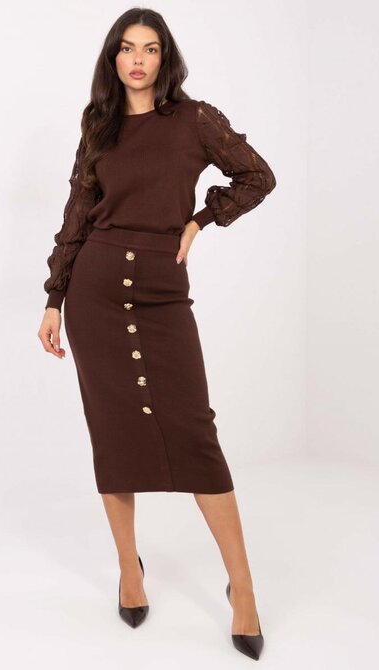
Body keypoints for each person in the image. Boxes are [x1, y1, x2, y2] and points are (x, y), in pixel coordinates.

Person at [37, 8, 276, 661]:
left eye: (149, 48)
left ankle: (243, 588)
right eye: (126, 48)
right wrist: (54, 298)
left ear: (165, 58)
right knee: (113, 434)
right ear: (113, 58)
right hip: (94, 294)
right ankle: (129, 570)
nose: (137, 59)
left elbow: (257, 176)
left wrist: (200, 221)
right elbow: (78, 212)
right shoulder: (98, 124)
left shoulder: (195, 120)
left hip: (163, 294)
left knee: (196, 434)